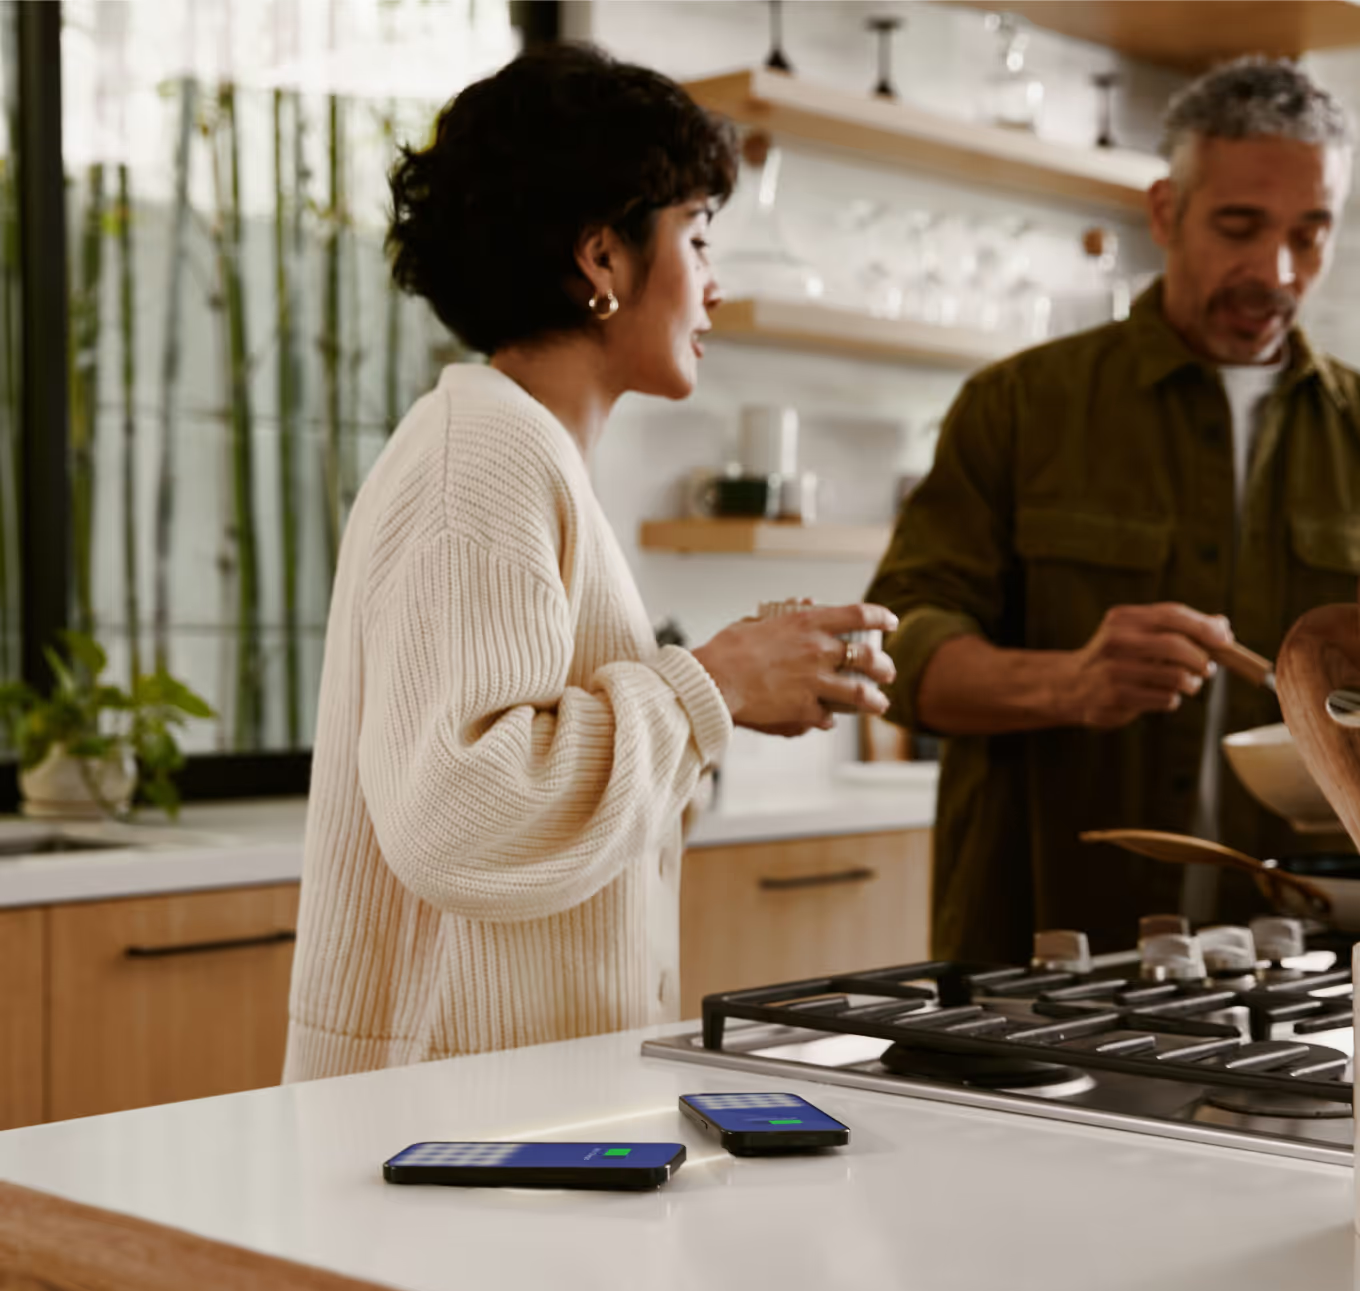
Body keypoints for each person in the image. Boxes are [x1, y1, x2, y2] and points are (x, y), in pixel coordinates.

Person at [283, 44, 896, 1082]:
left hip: (494, 1103)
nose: (714, 282)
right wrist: (718, 682)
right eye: (698, 238)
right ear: (603, 258)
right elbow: (462, 811)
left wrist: (731, 684)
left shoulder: (519, 454)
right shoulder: (481, 458)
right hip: (446, 1125)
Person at [866, 58, 1360, 963]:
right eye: (1240, 227)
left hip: (1309, 980)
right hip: (1042, 967)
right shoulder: (1018, 406)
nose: (1277, 271)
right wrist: (1069, 682)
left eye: (1311, 233)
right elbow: (893, 655)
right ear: (1166, 210)